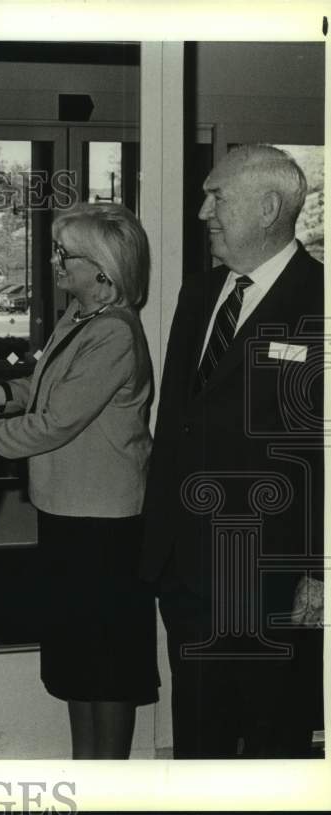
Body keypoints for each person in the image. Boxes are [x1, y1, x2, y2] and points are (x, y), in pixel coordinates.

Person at [0, 202, 158, 759]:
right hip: (69, 514)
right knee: (79, 665)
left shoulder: (115, 334)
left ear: (102, 271)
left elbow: (56, 423)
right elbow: (43, 386)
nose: (55, 262)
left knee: (105, 671)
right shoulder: (79, 318)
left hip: (105, 525)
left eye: (66, 254)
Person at [140, 144, 324, 759]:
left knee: (276, 742)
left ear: (269, 207)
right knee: (199, 737)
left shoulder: (319, 302)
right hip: (186, 569)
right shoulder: (198, 296)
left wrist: (320, 568)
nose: (202, 211)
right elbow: (176, 426)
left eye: (217, 196)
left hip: (272, 574)